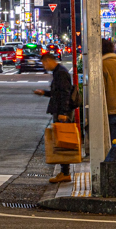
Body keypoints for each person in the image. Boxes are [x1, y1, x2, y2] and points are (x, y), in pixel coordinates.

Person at [33, 51, 74, 183]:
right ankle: (64, 171)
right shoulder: (58, 72)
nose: (44, 66)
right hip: (60, 110)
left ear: (49, 61)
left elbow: (65, 93)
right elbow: (57, 93)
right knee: (60, 141)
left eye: (44, 63)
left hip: (62, 112)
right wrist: (44, 93)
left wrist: (63, 112)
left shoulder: (60, 72)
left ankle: (65, 172)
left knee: (62, 141)